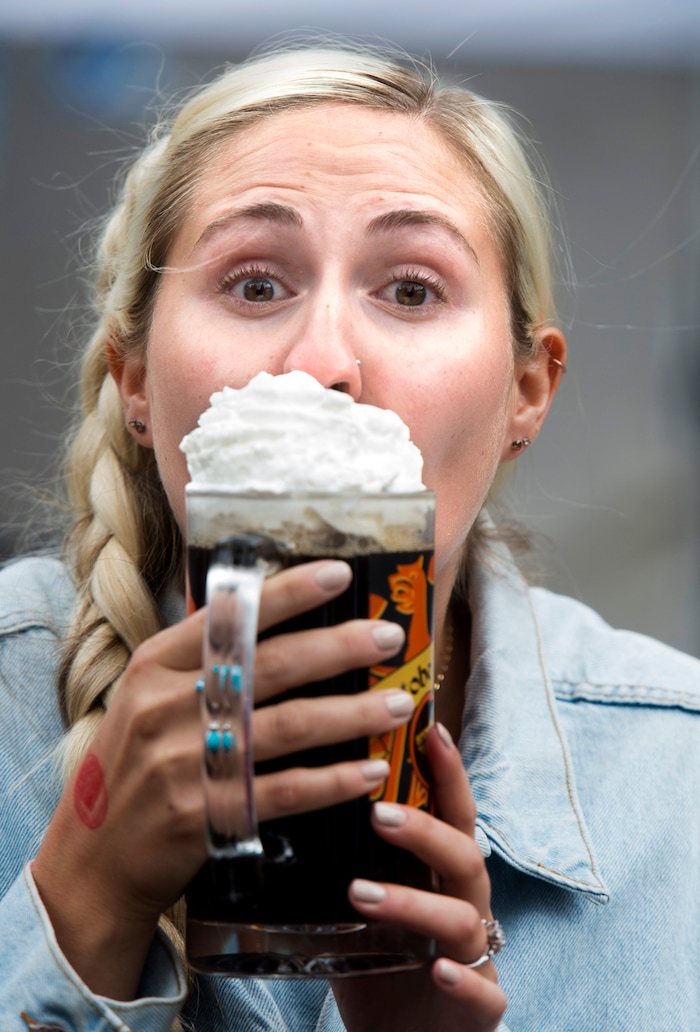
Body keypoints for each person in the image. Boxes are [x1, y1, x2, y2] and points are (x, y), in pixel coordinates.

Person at [1, 39, 698, 1032]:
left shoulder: (677, 788)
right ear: (137, 383)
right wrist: (79, 904)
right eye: (253, 284)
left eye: (410, 289)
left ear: (525, 393)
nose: (323, 363)